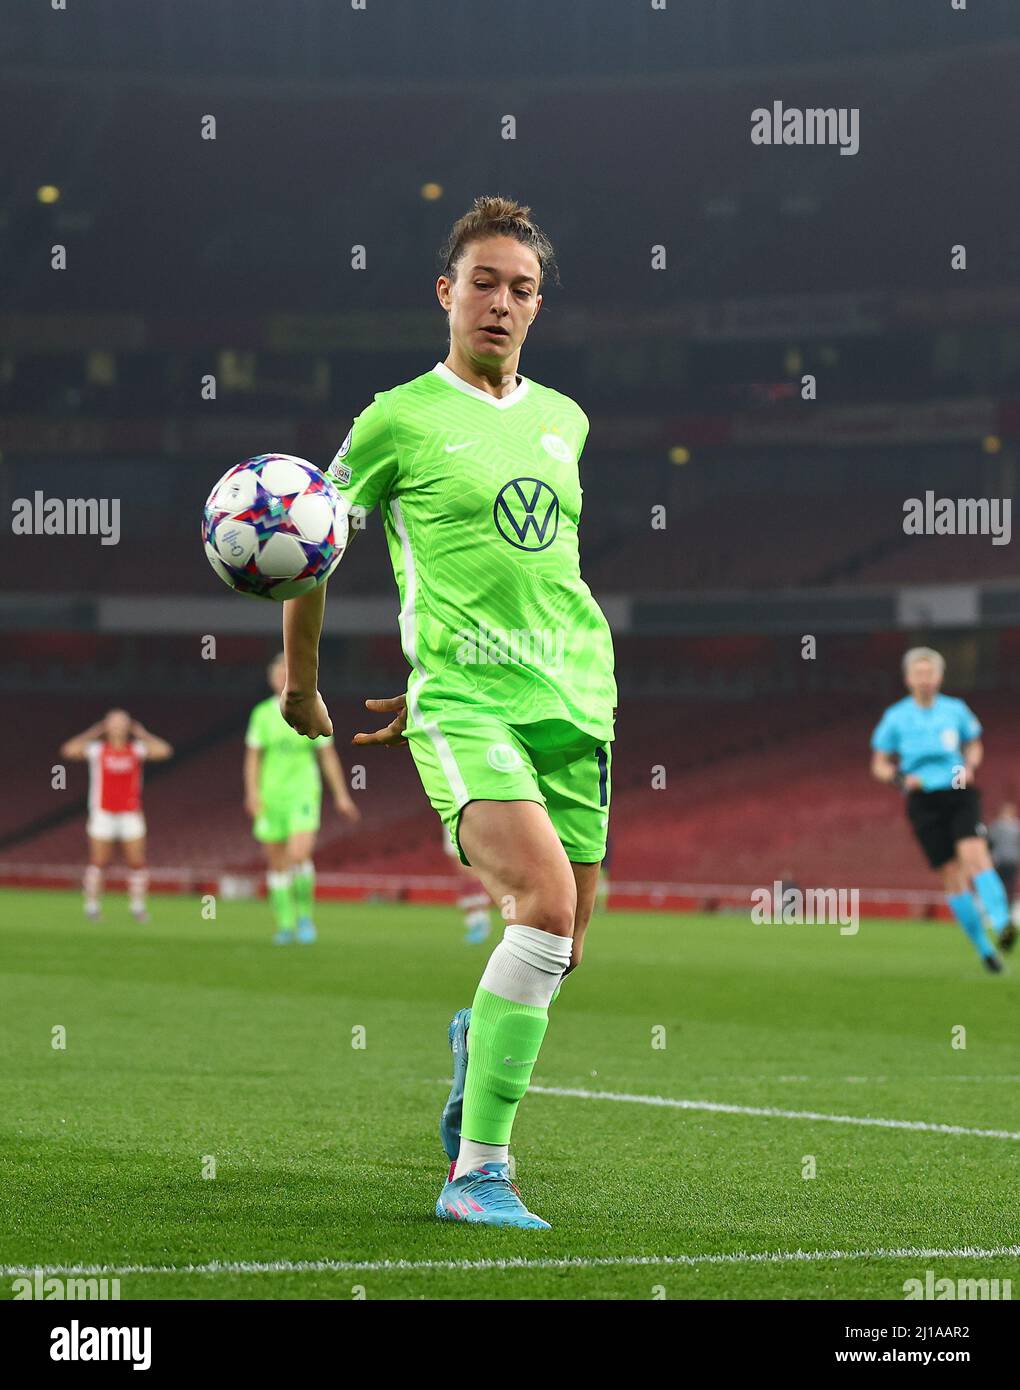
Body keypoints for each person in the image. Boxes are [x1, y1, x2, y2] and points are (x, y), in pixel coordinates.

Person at [281, 195, 616, 1227]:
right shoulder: (397, 417)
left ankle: (479, 1038)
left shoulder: (567, 420)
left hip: (580, 700)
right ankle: (478, 1173)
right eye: (483, 282)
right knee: (545, 906)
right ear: (447, 291)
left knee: (564, 941)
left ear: (537, 305)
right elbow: (309, 539)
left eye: (521, 289)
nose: (501, 303)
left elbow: (542, 567)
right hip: (463, 701)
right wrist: (301, 681)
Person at [870, 647, 1011, 971]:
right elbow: (878, 765)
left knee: (975, 855)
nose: (925, 679)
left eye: (930, 673)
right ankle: (984, 950)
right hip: (922, 799)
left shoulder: (955, 710)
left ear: (940, 677)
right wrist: (900, 778)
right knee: (951, 874)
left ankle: (1003, 924)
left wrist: (970, 764)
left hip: (958, 789)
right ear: (908, 679)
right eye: (918, 673)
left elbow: (974, 744)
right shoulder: (896, 717)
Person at [244, 652, 360, 944]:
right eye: (278, 671)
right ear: (271, 678)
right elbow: (253, 758)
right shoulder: (262, 714)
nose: (283, 676)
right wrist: (253, 793)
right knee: (277, 863)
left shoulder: (311, 708)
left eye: (288, 670)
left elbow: (327, 755)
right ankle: (285, 924)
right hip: (272, 796)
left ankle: (305, 917)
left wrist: (342, 795)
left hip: (304, 792)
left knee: (298, 854)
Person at [60, 709, 173, 923]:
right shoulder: (97, 750)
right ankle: (92, 906)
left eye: (123, 722)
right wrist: (93, 733)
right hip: (103, 813)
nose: (119, 726)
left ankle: (138, 907)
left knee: (137, 862)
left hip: (130, 814)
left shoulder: (137, 750)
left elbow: (165, 751)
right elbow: (68, 750)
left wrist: (144, 735)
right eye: (114, 722)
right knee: (98, 862)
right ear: (106, 725)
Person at [444, 825, 494, 944]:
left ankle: (481, 921)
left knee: (469, 871)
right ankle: (475, 921)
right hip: (450, 817)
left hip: (463, 818)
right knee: (462, 874)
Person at [987, 802, 1020, 939]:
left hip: (1000, 861)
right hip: (1010, 862)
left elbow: (989, 842)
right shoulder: (1016, 827)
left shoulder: (997, 826)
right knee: (1009, 889)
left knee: (999, 888)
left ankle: (1000, 916)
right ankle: (1007, 916)